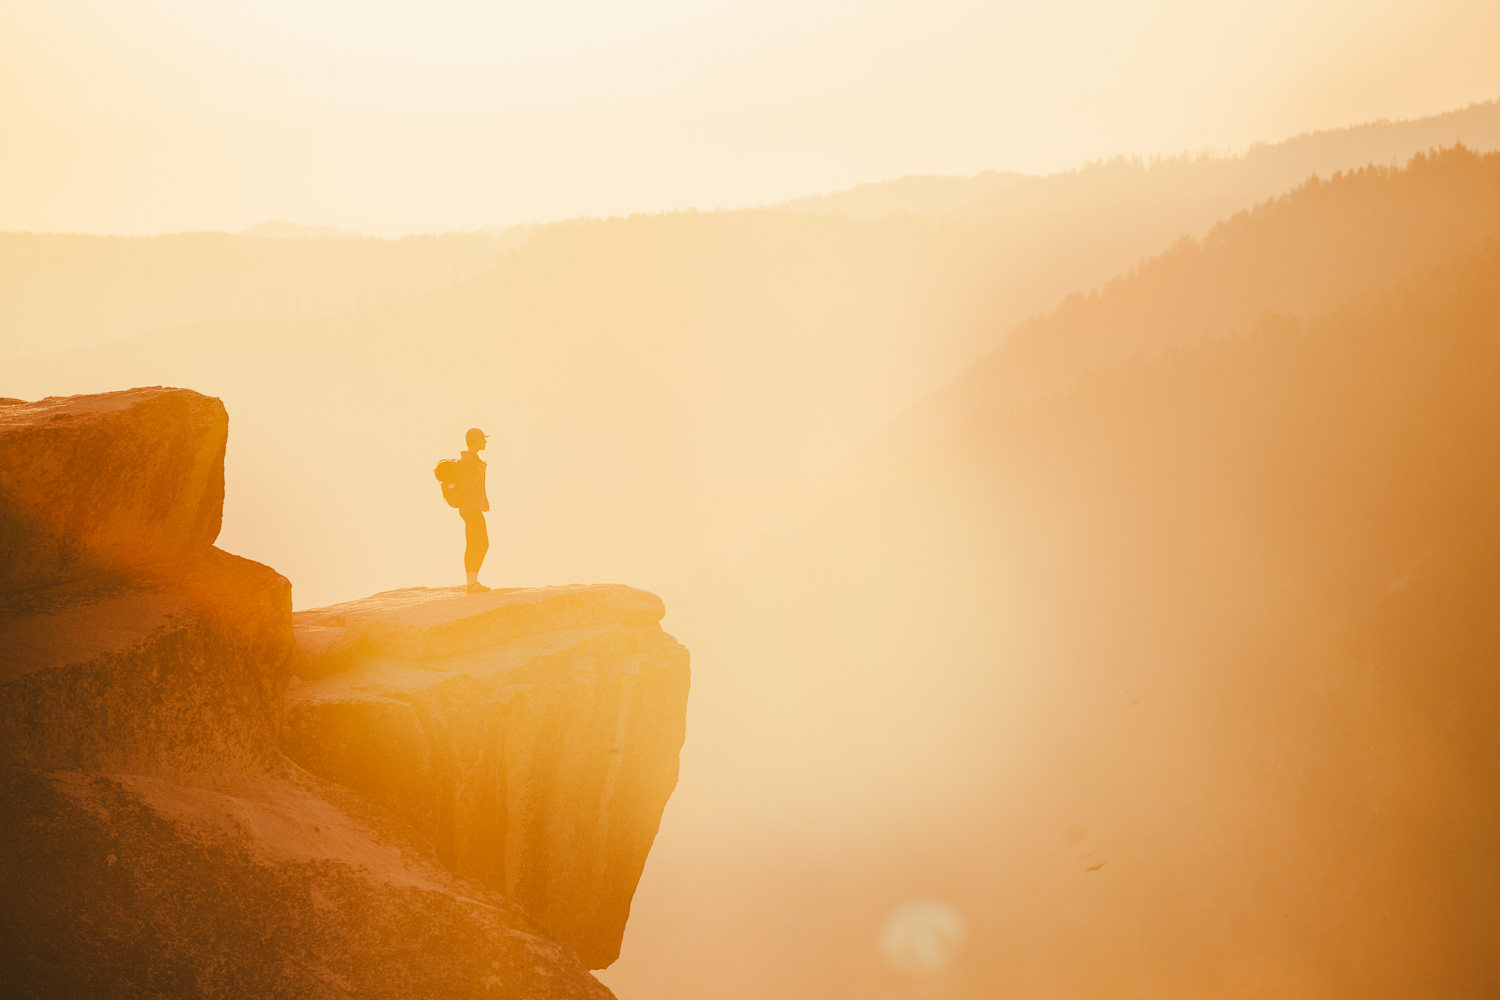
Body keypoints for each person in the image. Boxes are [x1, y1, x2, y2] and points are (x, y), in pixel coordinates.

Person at [456, 427, 490, 593]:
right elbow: (467, 485)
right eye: (483, 439)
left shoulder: (472, 459)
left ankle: (471, 582)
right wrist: (481, 471)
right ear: (475, 441)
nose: (485, 441)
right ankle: (472, 584)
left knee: (472, 544)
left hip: (468, 508)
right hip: (471, 507)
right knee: (482, 543)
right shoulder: (469, 461)